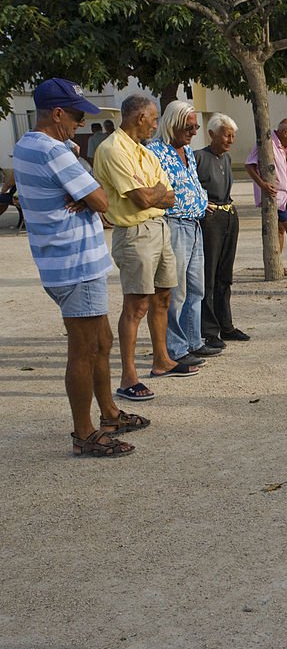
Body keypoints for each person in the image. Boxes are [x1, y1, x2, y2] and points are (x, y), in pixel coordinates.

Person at [14, 78, 147, 457]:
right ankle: (84, 432)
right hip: (75, 262)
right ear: (56, 113)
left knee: (101, 342)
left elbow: (90, 194)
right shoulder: (54, 152)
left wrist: (84, 189)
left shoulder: (28, 145)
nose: (80, 124)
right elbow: (102, 200)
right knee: (85, 350)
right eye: (74, 116)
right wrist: (86, 190)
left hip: (63, 261)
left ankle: (108, 413)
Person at [93, 94, 199, 402]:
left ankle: (162, 360)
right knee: (136, 304)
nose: (156, 125)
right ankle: (128, 377)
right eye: (154, 119)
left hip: (159, 228)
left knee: (163, 297)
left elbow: (170, 194)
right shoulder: (112, 149)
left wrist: (155, 193)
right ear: (140, 118)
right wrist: (156, 193)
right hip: (135, 233)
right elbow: (142, 197)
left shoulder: (144, 152)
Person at [147, 101, 220, 368]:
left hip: (195, 223)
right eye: (189, 126)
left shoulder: (187, 151)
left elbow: (191, 184)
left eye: (195, 126)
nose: (193, 131)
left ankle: (193, 341)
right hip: (174, 224)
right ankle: (175, 348)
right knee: (175, 290)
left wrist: (201, 202)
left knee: (196, 287)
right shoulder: (155, 151)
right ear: (173, 123)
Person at [195, 113, 250, 349]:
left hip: (228, 215)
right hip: (210, 219)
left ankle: (225, 325)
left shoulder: (226, 160)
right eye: (226, 135)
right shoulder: (198, 157)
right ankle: (208, 330)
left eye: (233, 136)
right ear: (212, 134)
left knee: (225, 275)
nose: (230, 140)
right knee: (209, 275)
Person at [245, 118, 287, 280]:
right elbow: (249, 164)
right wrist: (262, 184)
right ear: (285, 132)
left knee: (281, 230)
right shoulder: (267, 143)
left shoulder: (286, 148)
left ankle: (277, 263)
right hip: (275, 197)